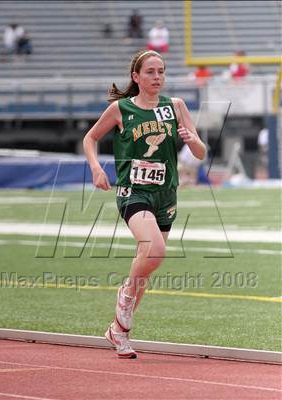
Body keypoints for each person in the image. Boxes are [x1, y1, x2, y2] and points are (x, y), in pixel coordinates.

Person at [83, 50, 206, 359]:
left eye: (161, 71)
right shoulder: (120, 109)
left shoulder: (175, 106)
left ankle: (118, 332)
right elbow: (90, 138)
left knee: (148, 267)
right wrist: (97, 169)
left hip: (166, 194)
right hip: (134, 191)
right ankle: (124, 296)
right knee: (155, 250)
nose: (157, 77)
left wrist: (191, 138)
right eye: (150, 72)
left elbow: (201, 152)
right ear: (136, 77)